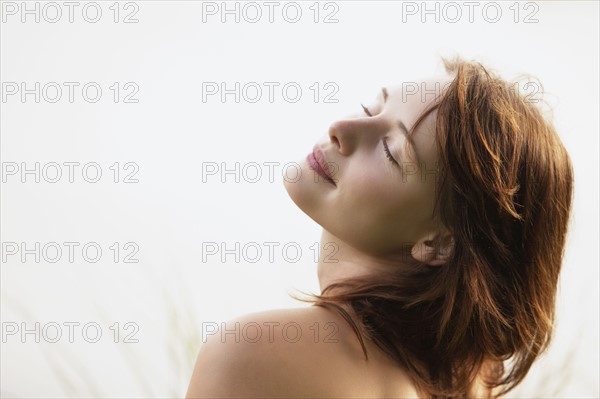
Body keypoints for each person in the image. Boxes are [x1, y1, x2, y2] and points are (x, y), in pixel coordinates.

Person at [186, 57, 574, 398]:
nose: (342, 127)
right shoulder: (464, 385)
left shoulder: (254, 355)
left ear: (438, 242)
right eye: (371, 108)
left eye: (391, 150)